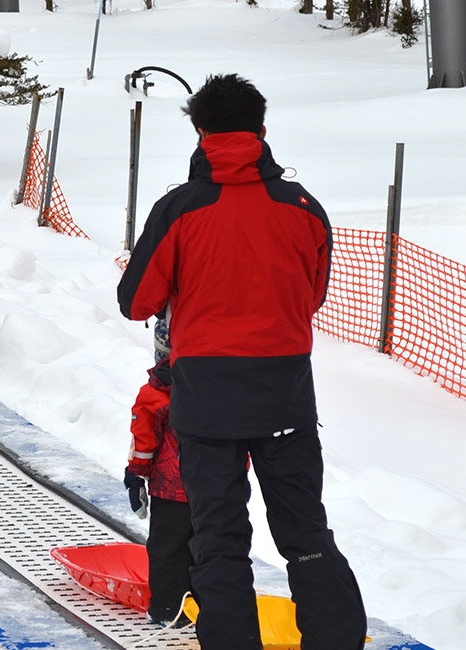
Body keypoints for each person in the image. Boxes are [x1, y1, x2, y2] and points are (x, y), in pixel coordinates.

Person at [117, 73, 365, 649]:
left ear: (202, 133)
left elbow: (136, 302)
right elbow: (312, 295)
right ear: (262, 128)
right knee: (306, 535)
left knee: (219, 541)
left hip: (205, 401)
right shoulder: (304, 207)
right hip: (285, 395)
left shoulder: (179, 208)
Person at [124, 353, 194, 626]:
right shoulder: (224, 381)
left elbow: (145, 438)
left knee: (168, 546)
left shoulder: (157, 390)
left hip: (171, 486)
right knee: (208, 544)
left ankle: (167, 608)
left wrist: (136, 473)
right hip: (215, 484)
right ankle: (205, 603)